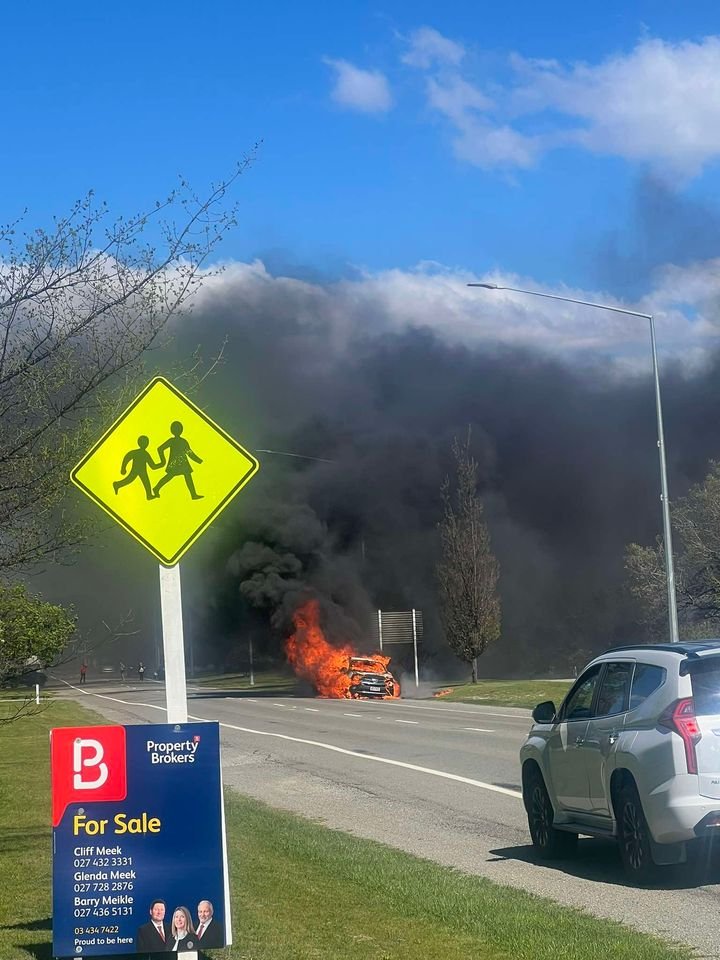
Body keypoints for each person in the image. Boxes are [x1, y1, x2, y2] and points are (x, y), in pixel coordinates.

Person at [153, 421, 203, 500]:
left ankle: (193, 495)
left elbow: (189, 452)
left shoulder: (183, 441)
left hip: (183, 463)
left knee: (187, 476)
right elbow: (160, 449)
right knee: (169, 477)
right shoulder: (173, 441)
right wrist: (163, 461)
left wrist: (199, 460)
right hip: (175, 463)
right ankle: (156, 488)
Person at [113, 435, 161, 500]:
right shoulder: (140, 453)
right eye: (145, 442)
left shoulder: (144, 453)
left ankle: (149, 495)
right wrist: (123, 468)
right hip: (136, 470)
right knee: (130, 480)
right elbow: (127, 457)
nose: (146, 444)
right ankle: (117, 484)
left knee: (145, 482)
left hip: (142, 471)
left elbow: (152, 466)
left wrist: (160, 465)